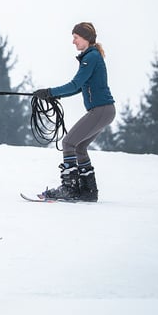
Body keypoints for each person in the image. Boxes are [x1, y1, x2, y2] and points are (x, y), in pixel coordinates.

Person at [31, 22, 115, 202]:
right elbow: (79, 87)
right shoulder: (91, 56)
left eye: (76, 37)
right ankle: (88, 191)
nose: (73, 41)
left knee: (68, 142)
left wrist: (50, 92)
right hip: (105, 110)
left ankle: (69, 188)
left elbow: (75, 84)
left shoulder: (91, 57)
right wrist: (52, 95)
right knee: (79, 146)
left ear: (86, 38)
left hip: (101, 109)